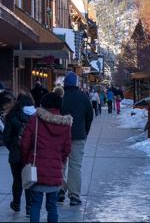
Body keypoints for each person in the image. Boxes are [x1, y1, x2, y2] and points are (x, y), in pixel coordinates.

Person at [21, 92, 73, 223]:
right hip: (54, 171)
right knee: (52, 206)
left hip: (36, 169)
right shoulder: (65, 124)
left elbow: (24, 144)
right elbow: (67, 149)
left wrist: (26, 159)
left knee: (35, 205)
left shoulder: (35, 121)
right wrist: (59, 160)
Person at [59, 72, 94, 206]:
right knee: (75, 165)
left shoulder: (60, 96)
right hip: (78, 136)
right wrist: (85, 131)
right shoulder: (83, 97)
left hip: (61, 135)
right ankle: (74, 195)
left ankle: (60, 189)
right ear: (76, 84)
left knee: (61, 163)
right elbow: (89, 116)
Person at [3, 93, 37, 213]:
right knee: (29, 180)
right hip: (30, 154)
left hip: (15, 154)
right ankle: (29, 207)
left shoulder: (12, 116)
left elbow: (6, 137)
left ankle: (16, 204)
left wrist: (12, 148)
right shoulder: (36, 117)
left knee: (17, 180)